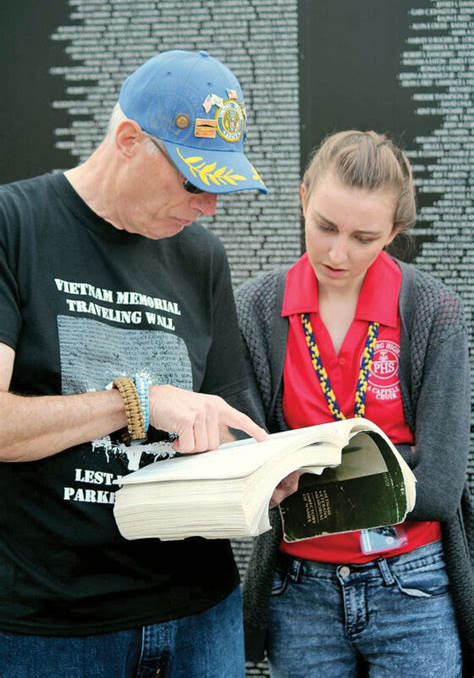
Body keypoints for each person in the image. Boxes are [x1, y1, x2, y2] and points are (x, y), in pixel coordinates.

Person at [0, 49, 269, 677]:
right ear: (127, 140)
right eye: (194, 181)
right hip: (55, 629)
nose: (209, 208)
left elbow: (228, 416)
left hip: (201, 616)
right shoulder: (15, 225)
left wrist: (266, 470)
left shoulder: (202, 258)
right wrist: (139, 403)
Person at [236, 130, 473, 677]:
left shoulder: (435, 311)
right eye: (324, 226)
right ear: (302, 197)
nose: (338, 253)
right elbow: (248, 462)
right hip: (300, 590)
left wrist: (298, 471)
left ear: (393, 232)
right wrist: (392, 467)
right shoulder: (255, 309)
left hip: (413, 582)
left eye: (365, 236)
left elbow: (438, 486)